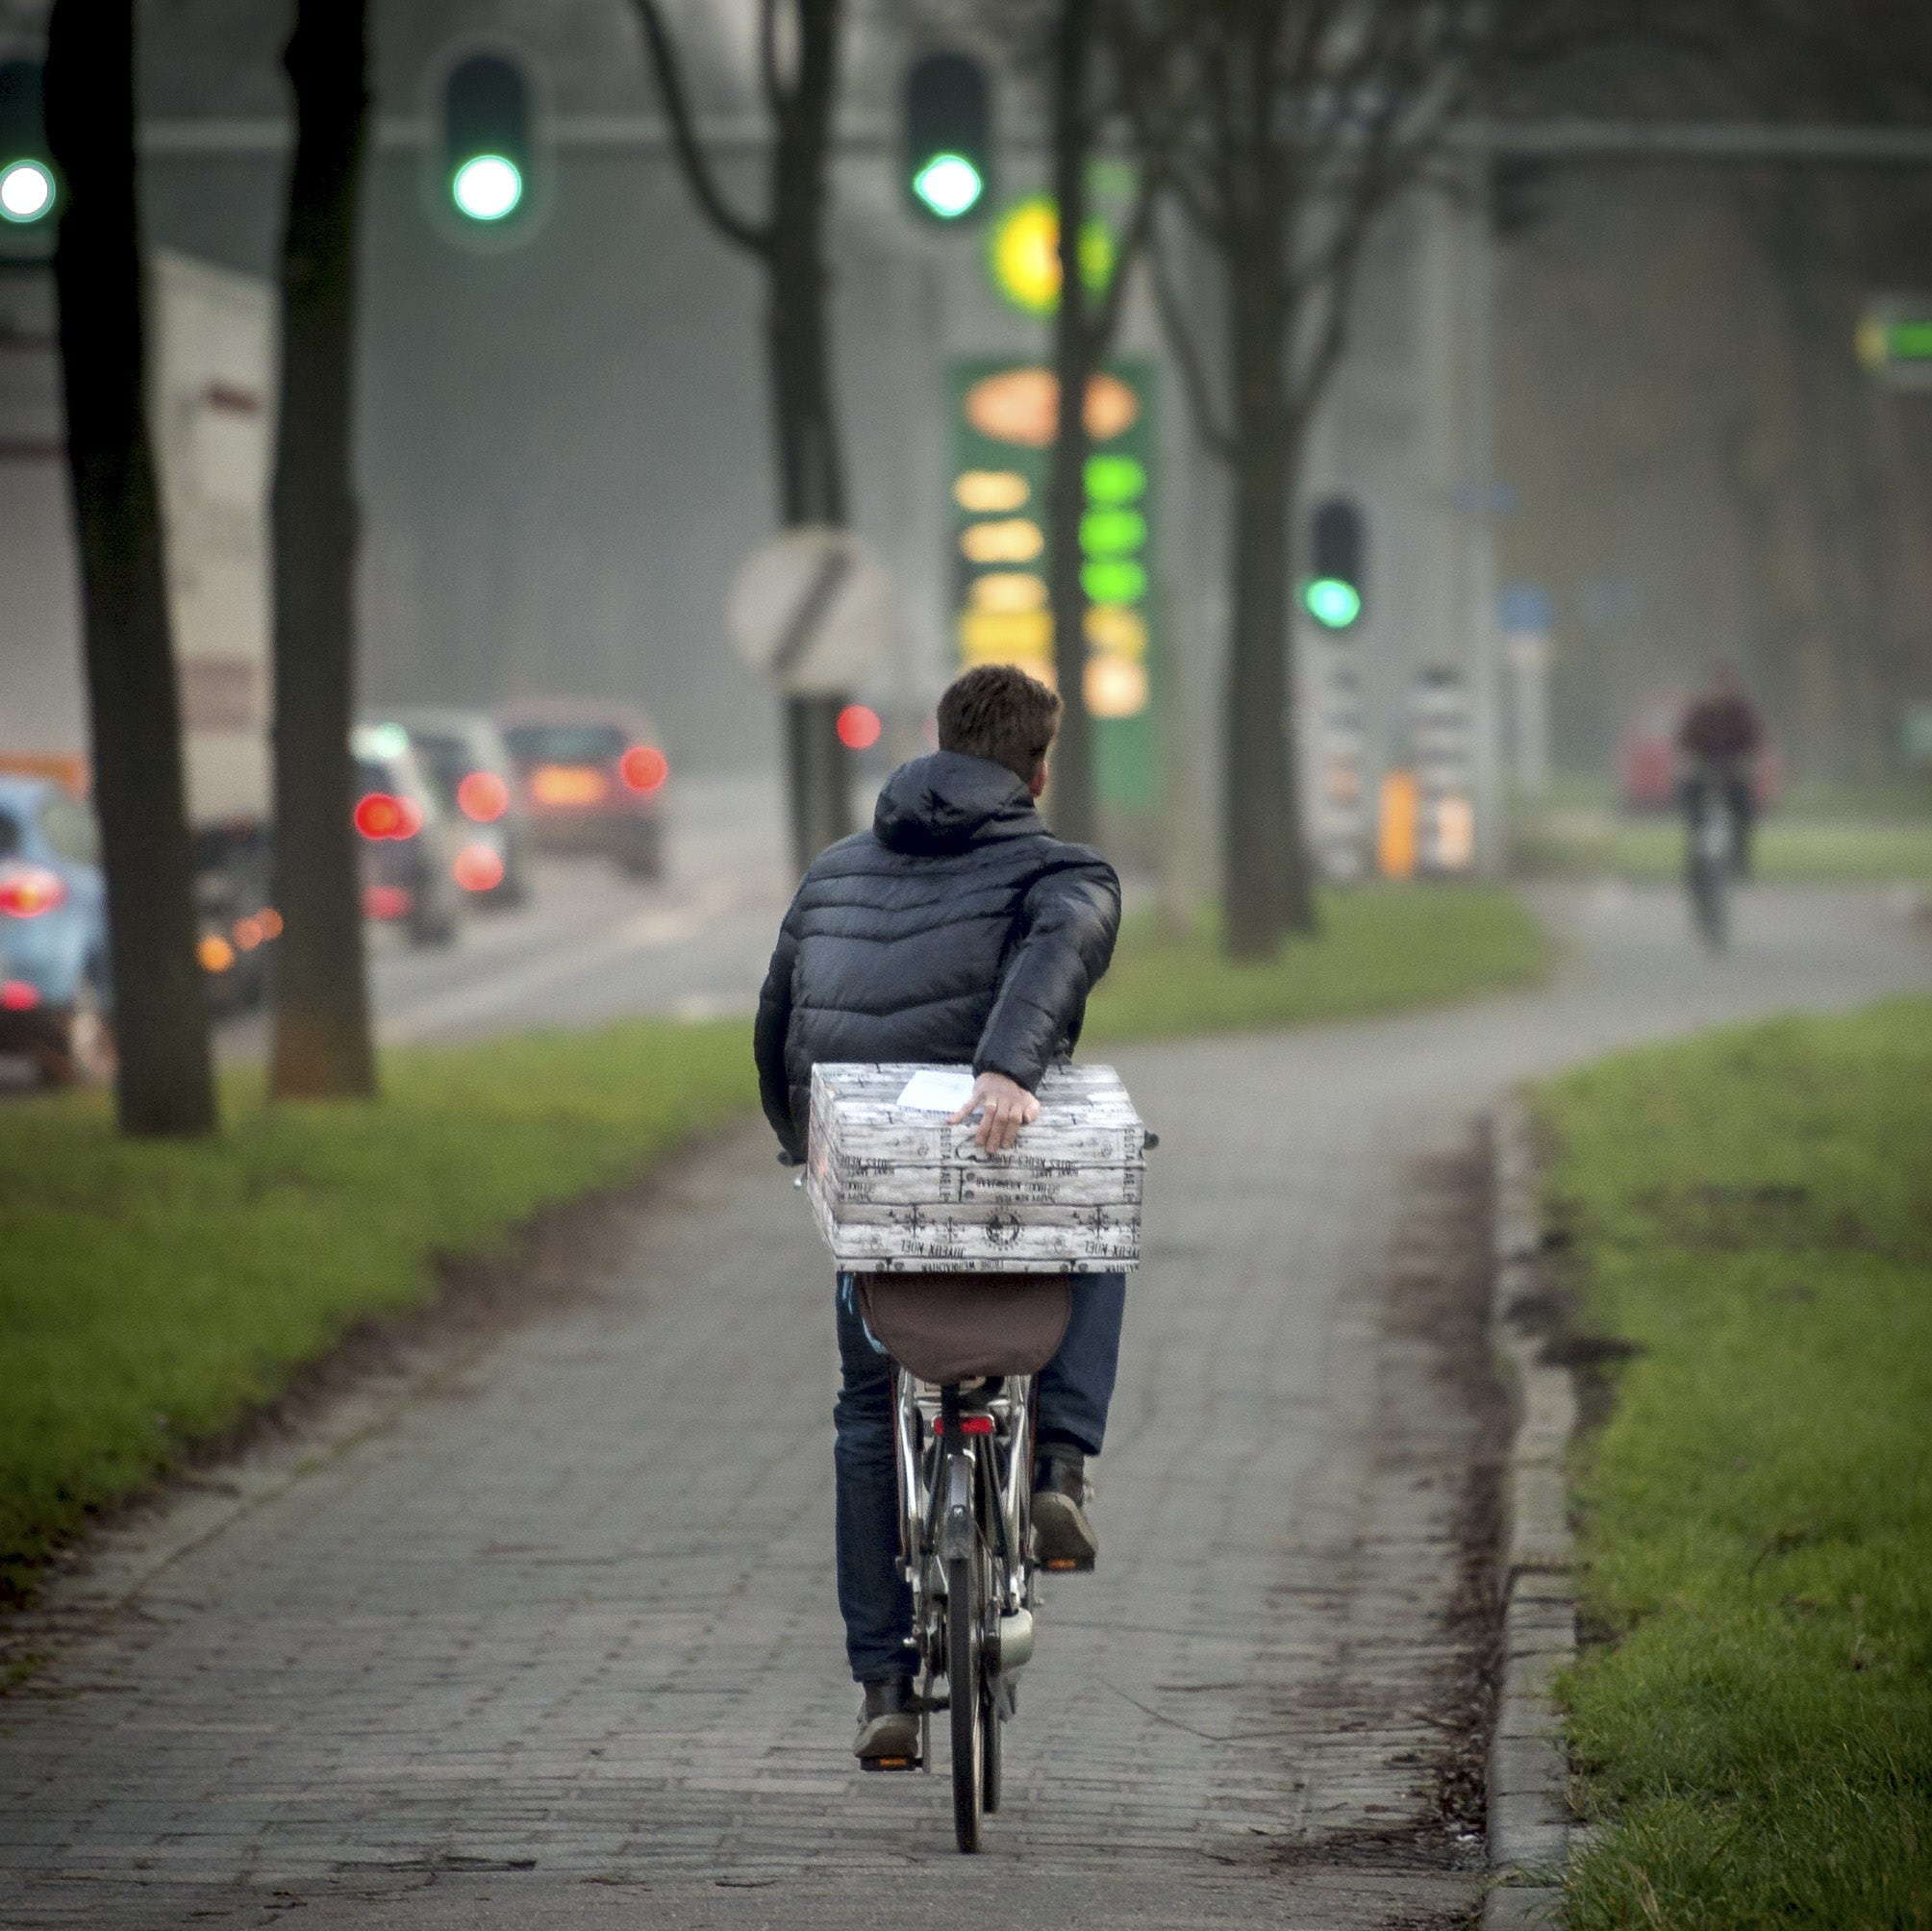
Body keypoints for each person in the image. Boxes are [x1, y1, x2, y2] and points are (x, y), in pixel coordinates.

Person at [754, 664, 1125, 1766]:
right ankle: (1058, 1465)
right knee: (1098, 1217)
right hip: (997, 1168)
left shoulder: (829, 875)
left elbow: (776, 1024)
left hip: (871, 1191)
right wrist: (1008, 1068)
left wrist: (802, 1141)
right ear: (1036, 768)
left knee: (866, 1415)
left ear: (937, 744)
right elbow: (1066, 943)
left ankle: (881, 1683)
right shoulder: (1062, 868)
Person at [1677, 665, 1764, 878]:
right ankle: (1695, 862)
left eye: (1725, 686)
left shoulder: (1740, 713)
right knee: (1692, 808)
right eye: (1717, 685)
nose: (1720, 691)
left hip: (1732, 771)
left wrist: (1747, 764)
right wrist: (1688, 763)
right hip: (1704, 771)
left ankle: (1741, 863)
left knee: (1743, 811)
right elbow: (1685, 742)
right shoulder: (1699, 713)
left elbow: (1752, 743)